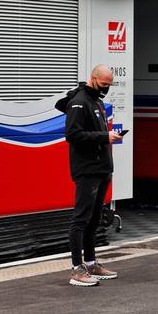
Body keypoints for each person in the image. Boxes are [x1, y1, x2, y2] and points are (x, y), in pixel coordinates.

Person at [56, 65, 122, 287]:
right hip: (87, 170)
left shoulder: (97, 101)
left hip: (102, 168)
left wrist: (107, 137)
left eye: (109, 85)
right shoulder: (80, 101)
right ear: (93, 79)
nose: (106, 89)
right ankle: (77, 269)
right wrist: (105, 136)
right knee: (81, 218)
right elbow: (73, 134)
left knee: (94, 218)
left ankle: (92, 262)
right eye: (104, 84)